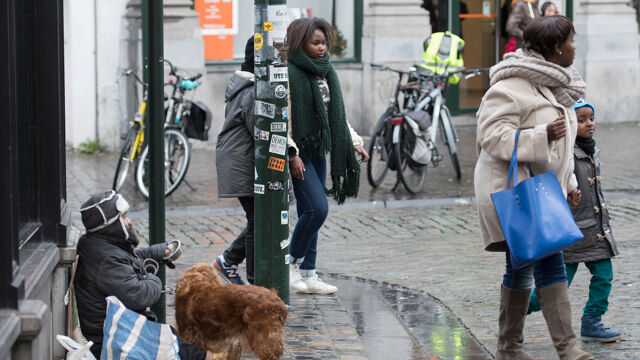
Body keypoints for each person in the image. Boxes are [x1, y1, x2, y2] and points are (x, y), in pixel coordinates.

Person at [474, 16, 593, 359]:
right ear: (556, 47)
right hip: (517, 192)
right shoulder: (509, 86)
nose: (574, 47)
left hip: (545, 192)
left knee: (520, 266)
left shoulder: (560, 86)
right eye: (571, 41)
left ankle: (509, 345)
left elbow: (563, 146)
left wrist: (569, 182)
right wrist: (541, 135)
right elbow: (490, 137)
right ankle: (568, 349)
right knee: (548, 264)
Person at [286, 17, 369, 295]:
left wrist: (353, 142)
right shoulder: (289, 73)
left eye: (324, 43)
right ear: (301, 43)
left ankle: (309, 274)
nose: (322, 48)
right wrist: (291, 153)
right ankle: (291, 264)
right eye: (316, 43)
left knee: (312, 212)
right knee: (317, 209)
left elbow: (335, 115)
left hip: (318, 149)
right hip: (299, 152)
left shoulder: (325, 71)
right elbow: (282, 119)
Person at [527, 99, 622, 343]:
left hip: (595, 232)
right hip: (569, 233)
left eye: (591, 118)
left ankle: (592, 321)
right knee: (554, 287)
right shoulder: (564, 154)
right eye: (581, 120)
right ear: (569, 124)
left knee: (603, 275)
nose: (589, 124)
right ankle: (515, 315)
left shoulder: (592, 150)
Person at [74, 190, 206, 359]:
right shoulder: (105, 259)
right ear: (111, 224)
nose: (129, 221)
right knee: (184, 350)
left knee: (175, 339)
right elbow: (140, 294)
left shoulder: (98, 246)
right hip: (117, 340)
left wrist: (150, 254)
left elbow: (124, 263)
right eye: (123, 217)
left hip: (122, 329)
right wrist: (152, 277)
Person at [213, 36, 256, 285]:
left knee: (257, 218)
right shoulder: (250, 92)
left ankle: (228, 260)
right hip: (242, 163)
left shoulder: (245, 86)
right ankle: (252, 279)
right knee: (257, 220)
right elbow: (261, 131)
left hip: (239, 160)